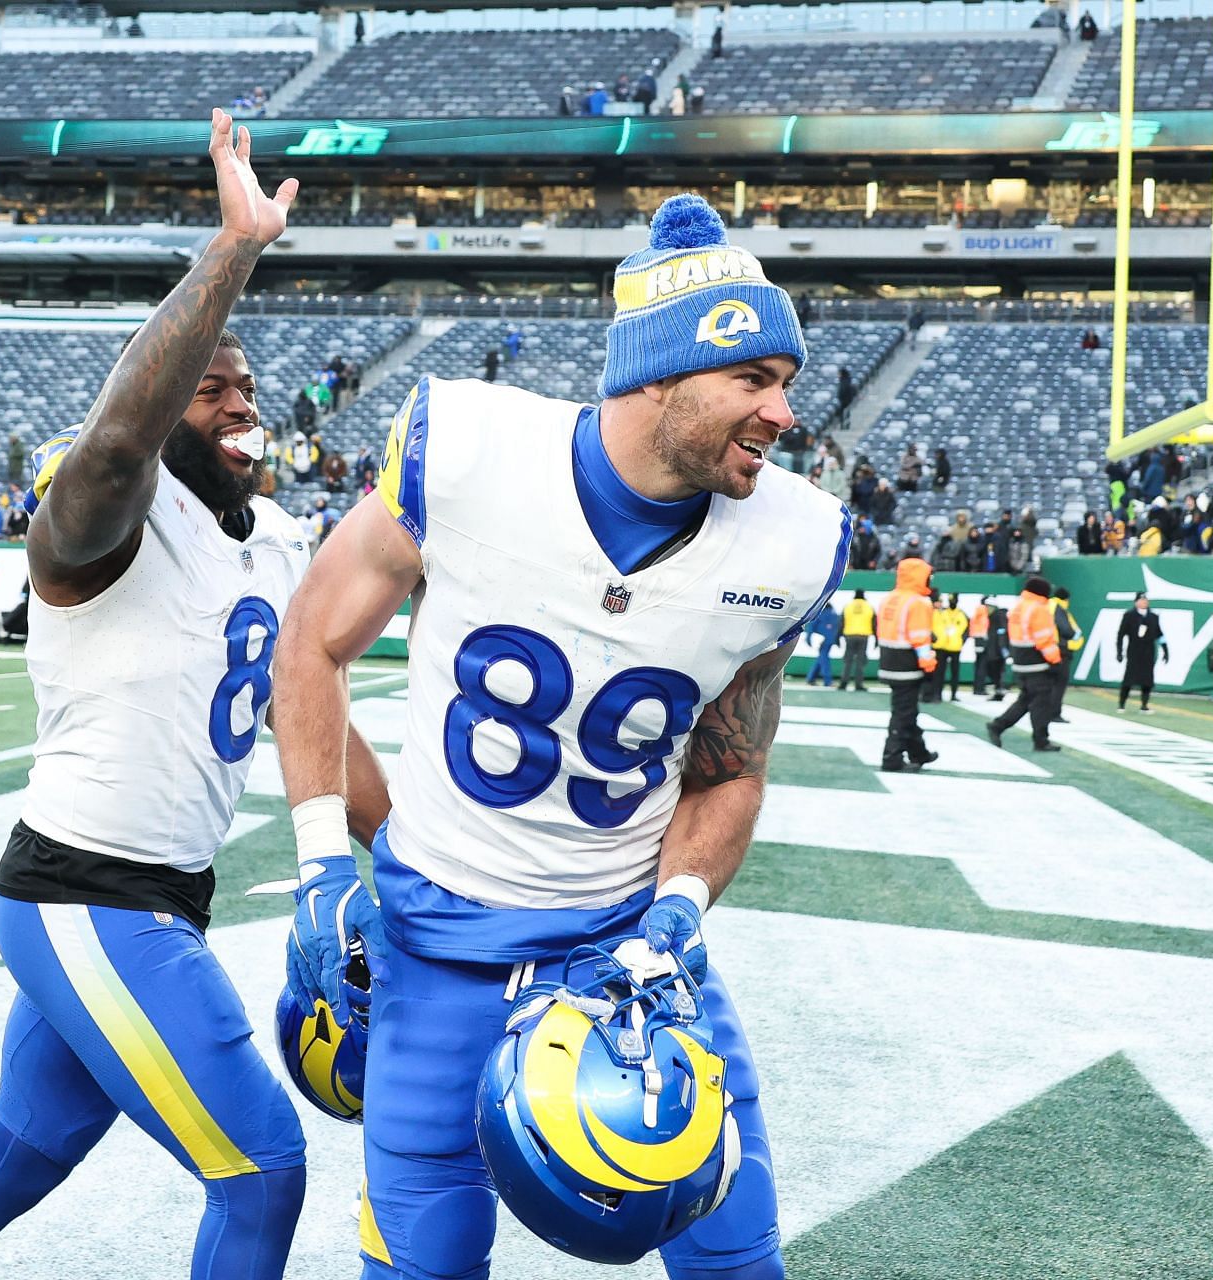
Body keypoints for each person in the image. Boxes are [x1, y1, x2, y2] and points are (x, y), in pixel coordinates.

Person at [269, 192, 846, 1280]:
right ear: (661, 372)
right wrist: (316, 864)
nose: (783, 414)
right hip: (436, 941)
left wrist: (673, 915)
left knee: (736, 1258)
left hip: (629, 951)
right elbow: (308, 642)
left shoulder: (791, 539)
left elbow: (730, 768)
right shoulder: (471, 448)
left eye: (787, 384)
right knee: (419, 1264)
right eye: (754, 380)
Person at [0, 111, 374, 1280]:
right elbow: (109, 452)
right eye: (209, 387)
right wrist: (232, 250)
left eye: (246, 386)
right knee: (260, 1166)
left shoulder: (280, 541)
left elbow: (311, 712)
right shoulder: (105, 530)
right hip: (85, 894)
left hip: (162, 897)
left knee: (23, 1148)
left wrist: (399, 862)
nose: (239, 401)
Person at [985, 575, 1064, 754]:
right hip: (1037, 661)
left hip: (1021, 660)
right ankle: (1041, 740)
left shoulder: (1020, 606)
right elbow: (1044, 639)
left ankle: (998, 726)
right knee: (1041, 702)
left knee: (1026, 700)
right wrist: (1055, 661)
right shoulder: (1039, 609)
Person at [876, 558, 940, 772]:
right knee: (903, 714)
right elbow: (920, 638)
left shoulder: (889, 598)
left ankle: (919, 753)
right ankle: (891, 758)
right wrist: (929, 665)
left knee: (907, 711)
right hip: (908, 665)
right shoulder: (919, 602)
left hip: (888, 661)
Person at [1116, 592, 1167, 712]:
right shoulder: (1129, 615)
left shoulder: (1153, 617)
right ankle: (1121, 704)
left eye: (1146, 600)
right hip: (1134, 651)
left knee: (1147, 680)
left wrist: (1165, 650)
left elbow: (1159, 634)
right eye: (1141, 600)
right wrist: (1119, 651)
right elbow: (1121, 634)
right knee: (1129, 679)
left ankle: (1144, 705)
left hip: (1148, 652)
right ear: (1136, 602)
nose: (1144, 602)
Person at [1050, 586, 1083, 720]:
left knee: (1050, 683)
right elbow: (1066, 629)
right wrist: (1075, 636)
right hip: (1061, 650)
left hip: (1048, 649)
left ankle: (1045, 711)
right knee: (1059, 683)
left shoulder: (1048, 606)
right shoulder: (1059, 609)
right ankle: (1054, 713)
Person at [931, 592, 967, 701]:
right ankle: (938, 694)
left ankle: (954, 694)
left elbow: (966, 630)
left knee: (955, 672)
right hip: (942, 646)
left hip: (955, 647)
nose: (952, 603)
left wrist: (961, 641)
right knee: (939, 672)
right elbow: (935, 625)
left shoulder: (961, 614)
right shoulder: (942, 613)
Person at [840, 587, 874, 691]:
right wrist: (876, 638)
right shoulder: (869, 606)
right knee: (860, 661)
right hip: (863, 636)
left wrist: (838, 636)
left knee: (848, 661)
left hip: (850, 636)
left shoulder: (848, 606)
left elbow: (841, 622)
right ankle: (858, 684)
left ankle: (844, 683)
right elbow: (874, 623)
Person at [804, 597, 841, 687]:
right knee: (823, 658)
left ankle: (811, 678)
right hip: (829, 640)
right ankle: (826, 681)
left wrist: (808, 638)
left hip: (822, 639)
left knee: (822, 658)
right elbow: (837, 626)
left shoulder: (819, 612)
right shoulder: (834, 612)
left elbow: (812, 625)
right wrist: (837, 640)